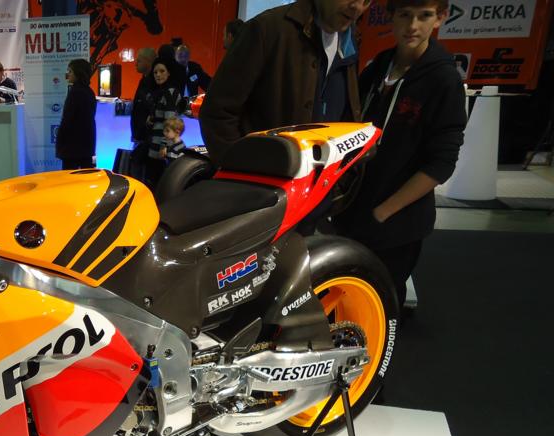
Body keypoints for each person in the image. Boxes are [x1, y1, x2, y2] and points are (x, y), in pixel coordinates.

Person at [334, 0, 466, 307]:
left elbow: (442, 163)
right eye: (405, 15)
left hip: (395, 222)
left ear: (440, 18)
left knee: (382, 303)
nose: (413, 26)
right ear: (391, 16)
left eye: (424, 16)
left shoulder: (443, 79)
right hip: (352, 209)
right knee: (346, 300)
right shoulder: (379, 65)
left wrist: (383, 213)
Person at [199, 0, 369, 165]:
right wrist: (242, 170)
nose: (358, 7)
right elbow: (218, 113)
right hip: (264, 179)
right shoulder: (266, 29)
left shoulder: (351, 40)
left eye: (367, 0)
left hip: (324, 179)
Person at [145, 58, 182, 188]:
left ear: (169, 73)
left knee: (160, 185)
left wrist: (164, 145)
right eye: (155, 72)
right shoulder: (160, 92)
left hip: (163, 149)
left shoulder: (170, 92)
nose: (158, 75)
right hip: (156, 146)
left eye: (162, 71)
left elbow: (170, 122)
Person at [55, 58, 96, 170]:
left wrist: (61, 142)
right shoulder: (89, 92)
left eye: (70, 71)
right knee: (86, 176)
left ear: (78, 73)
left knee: (69, 177)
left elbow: (68, 119)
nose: (67, 74)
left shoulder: (75, 92)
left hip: (72, 147)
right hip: (86, 144)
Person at [128, 47, 156, 182]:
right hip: (140, 136)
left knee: (142, 172)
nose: (135, 63)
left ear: (148, 61)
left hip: (146, 138)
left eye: (139, 61)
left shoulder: (152, 84)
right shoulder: (143, 81)